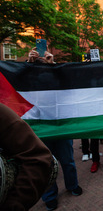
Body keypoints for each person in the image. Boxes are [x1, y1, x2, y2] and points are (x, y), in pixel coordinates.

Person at [28, 48, 82, 211]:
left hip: (61, 126)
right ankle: (50, 196)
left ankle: (72, 185)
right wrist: (28, 64)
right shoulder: (29, 79)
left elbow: (67, 87)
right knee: (46, 164)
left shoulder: (56, 78)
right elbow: (21, 81)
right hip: (42, 129)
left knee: (68, 160)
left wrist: (53, 65)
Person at [0, 103, 55, 211]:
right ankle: (51, 197)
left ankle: (72, 186)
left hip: (54, 129)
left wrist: (14, 205)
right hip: (40, 131)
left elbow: (37, 157)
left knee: (67, 162)